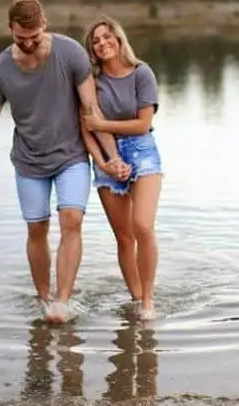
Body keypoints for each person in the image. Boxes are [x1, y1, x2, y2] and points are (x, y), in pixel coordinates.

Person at [0, 0, 132, 324]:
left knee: (72, 219)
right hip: (28, 160)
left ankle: (62, 302)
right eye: (20, 38)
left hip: (71, 154)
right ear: (10, 29)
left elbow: (91, 110)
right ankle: (43, 298)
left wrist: (111, 158)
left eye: (34, 36)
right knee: (36, 228)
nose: (28, 44)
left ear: (44, 25)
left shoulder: (70, 53)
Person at [79, 16, 163, 320]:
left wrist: (103, 124)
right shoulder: (91, 84)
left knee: (143, 226)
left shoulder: (142, 73)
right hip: (105, 158)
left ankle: (148, 302)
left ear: (118, 38)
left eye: (106, 37)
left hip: (142, 152)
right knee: (124, 237)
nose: (102, 44)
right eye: (95, 42)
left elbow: (143, 124)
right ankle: (136, 297)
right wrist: (104, 163)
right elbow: (85, 129)